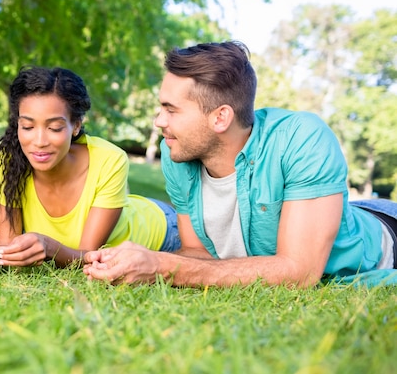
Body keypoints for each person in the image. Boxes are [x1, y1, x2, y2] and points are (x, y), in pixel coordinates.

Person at [83, 41, 397, 288]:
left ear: (220, 117)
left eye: (171, 110)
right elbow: (197, 253)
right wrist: (133, 261)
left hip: (385, 235)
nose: (158, 121)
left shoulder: (302, 138)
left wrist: (162, 267)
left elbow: (299, 272)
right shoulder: (176, 151)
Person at [0, 66, 180, 274]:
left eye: (54, 128)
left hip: (161, 230)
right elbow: (11, 249)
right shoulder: (10, 159)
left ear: (76, 125)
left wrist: (50, 248)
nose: (39, 141)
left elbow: (88, 257)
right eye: (28, 127)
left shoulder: (110, 160)